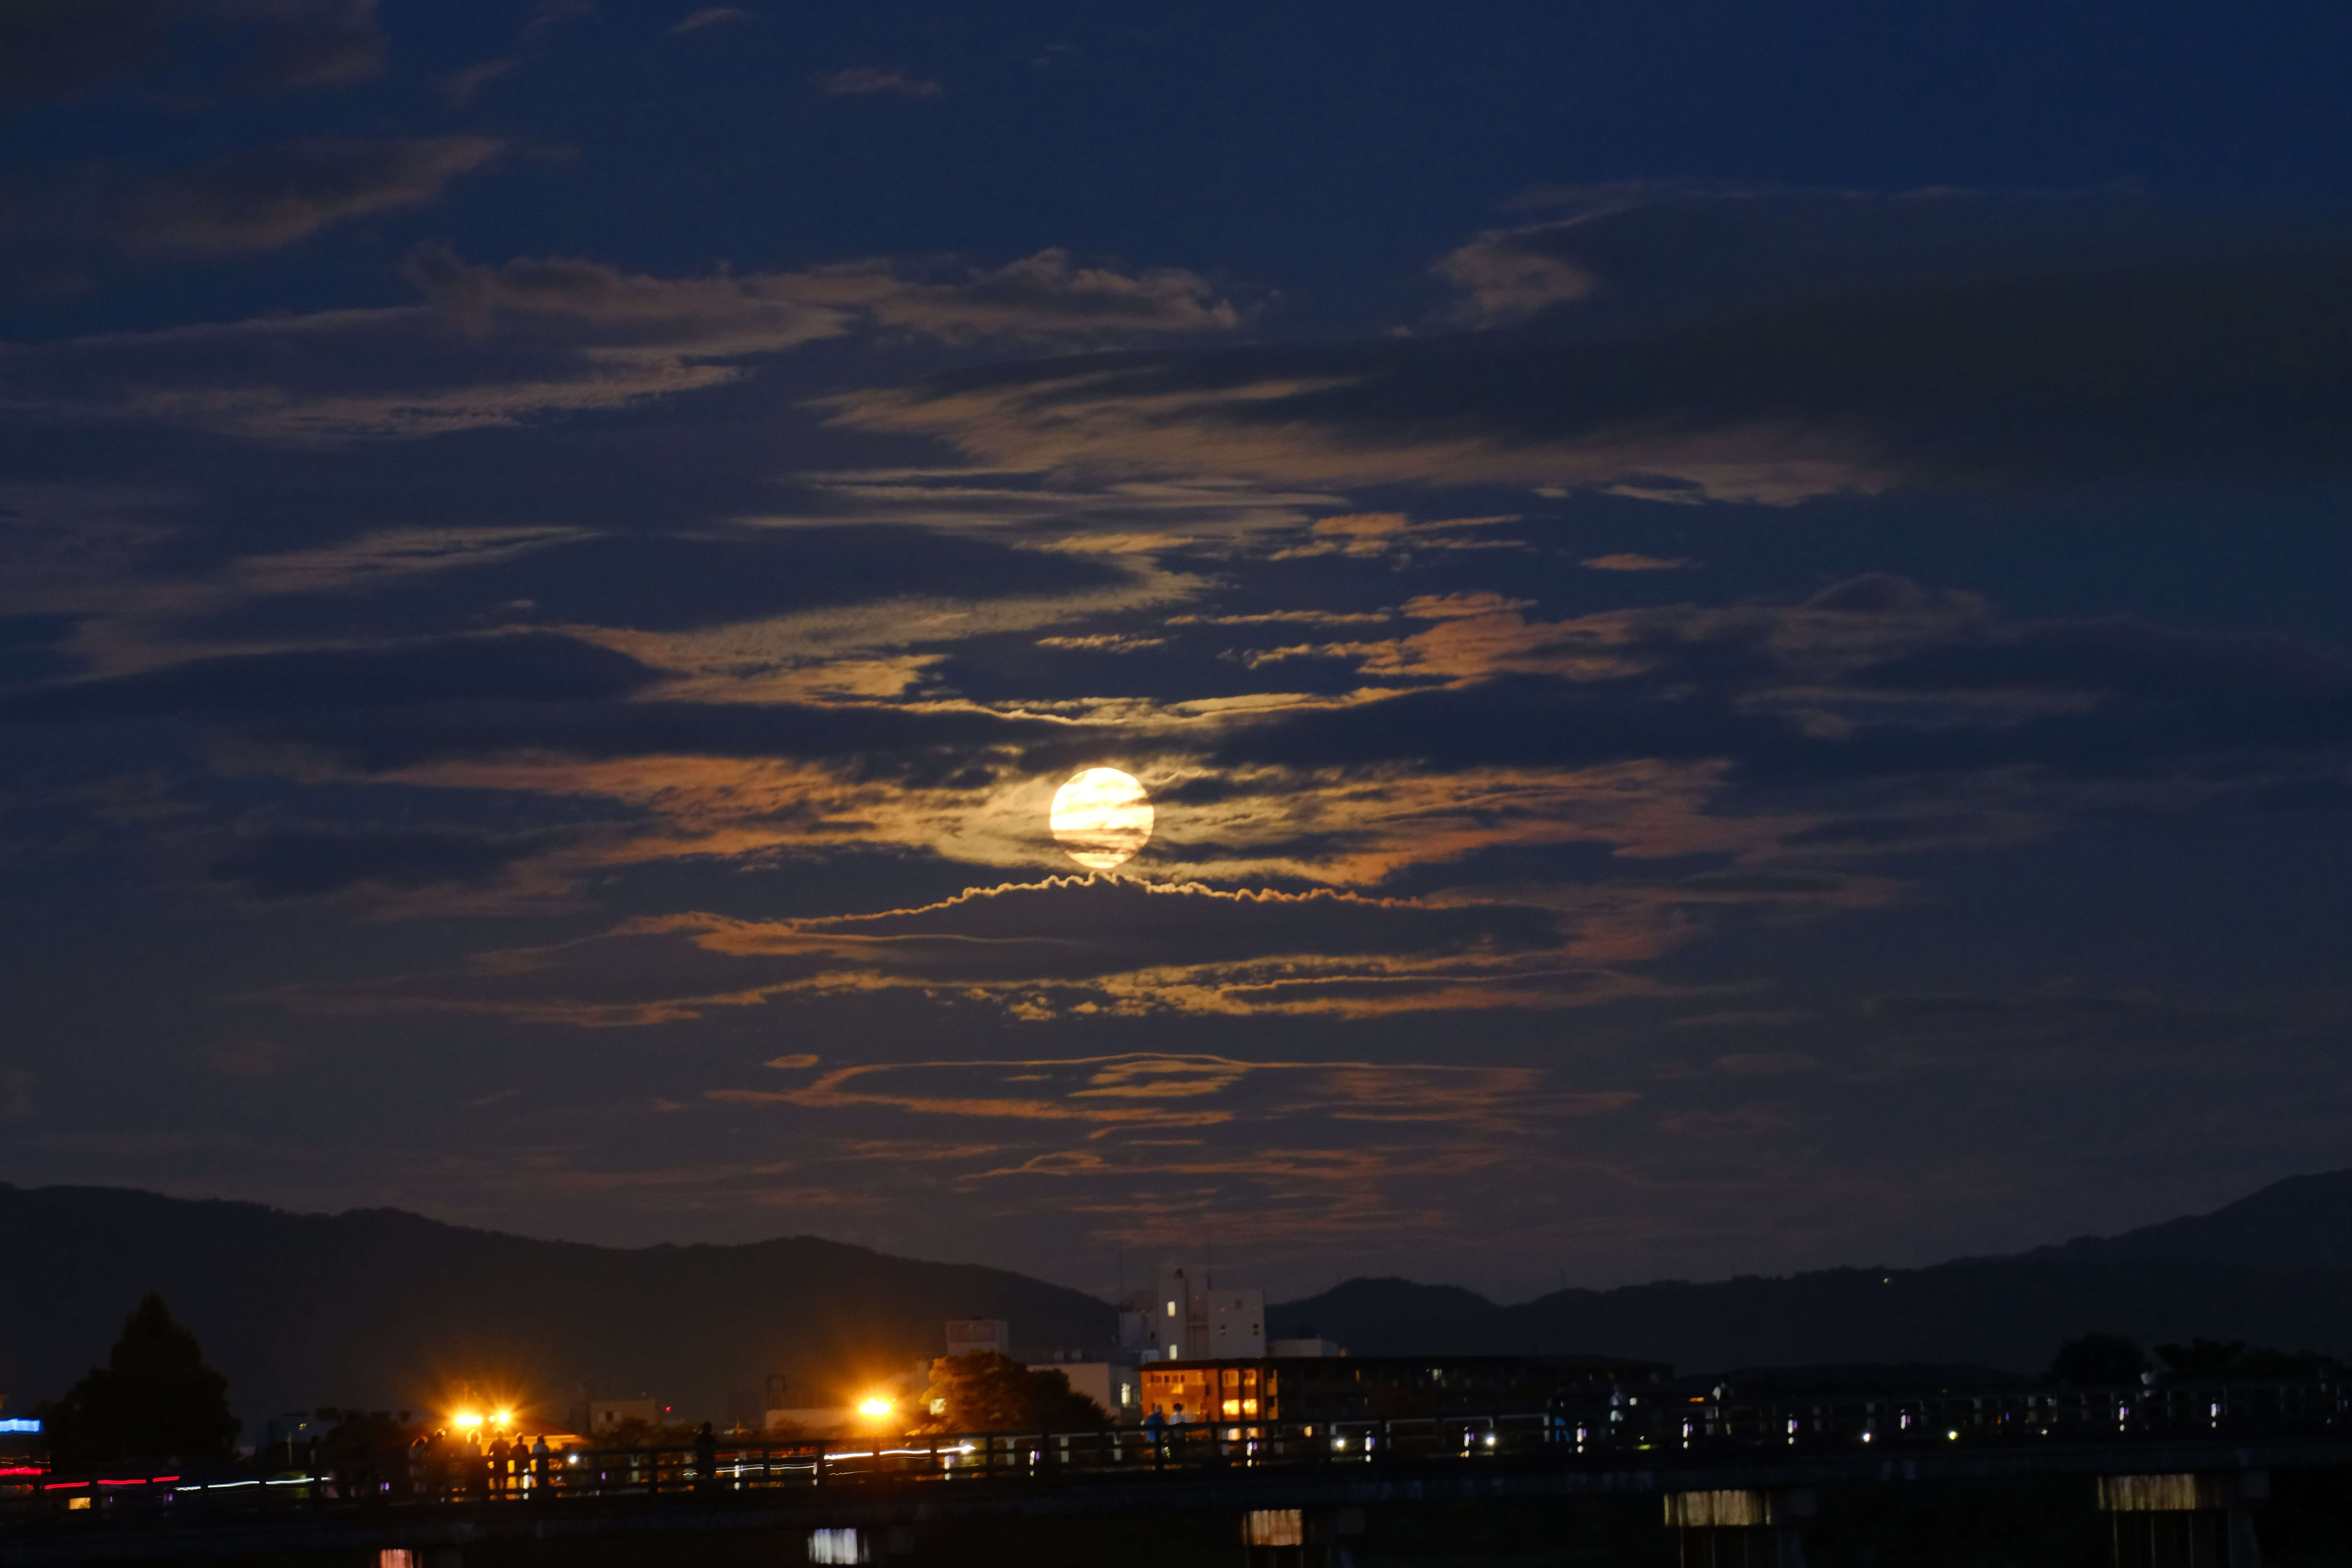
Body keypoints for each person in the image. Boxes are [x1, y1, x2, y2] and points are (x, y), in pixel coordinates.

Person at [694, 1421, 719, 1493]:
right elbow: (717, 1445)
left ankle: (697, 1490)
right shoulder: (711, 1438)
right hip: (709, 1459)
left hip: (702, 1459)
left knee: (700, 1475)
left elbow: (696, 1447)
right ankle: (710, 1490)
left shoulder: (700, 1438)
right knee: (710, 1476)